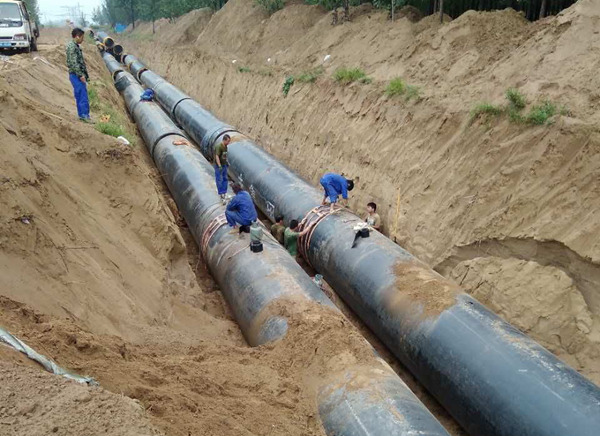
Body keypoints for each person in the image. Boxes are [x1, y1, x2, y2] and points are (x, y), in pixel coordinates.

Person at [66, 28, 92, 123]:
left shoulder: (74, 46)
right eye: (82, 37)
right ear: (77, 36)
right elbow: (74, 63)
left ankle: (83, 115)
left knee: (81, 95)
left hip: (76, 74)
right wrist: (81, 75)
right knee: (82, 95)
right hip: (76, 75)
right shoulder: (72, 47)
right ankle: (84, 116)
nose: (83, 39)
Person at [214, 134, 231, 199]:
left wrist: (227, 162)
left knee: (225, 178)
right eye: (228, 141)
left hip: (224, 165)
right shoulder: (219, 146)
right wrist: (219, 165)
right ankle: (221, 193)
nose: (228, 143)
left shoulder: (225, 147)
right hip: (219, 166)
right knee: (219, 179)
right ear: (224, 140)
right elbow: (217, 156)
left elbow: (224, 155)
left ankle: (224, 192)